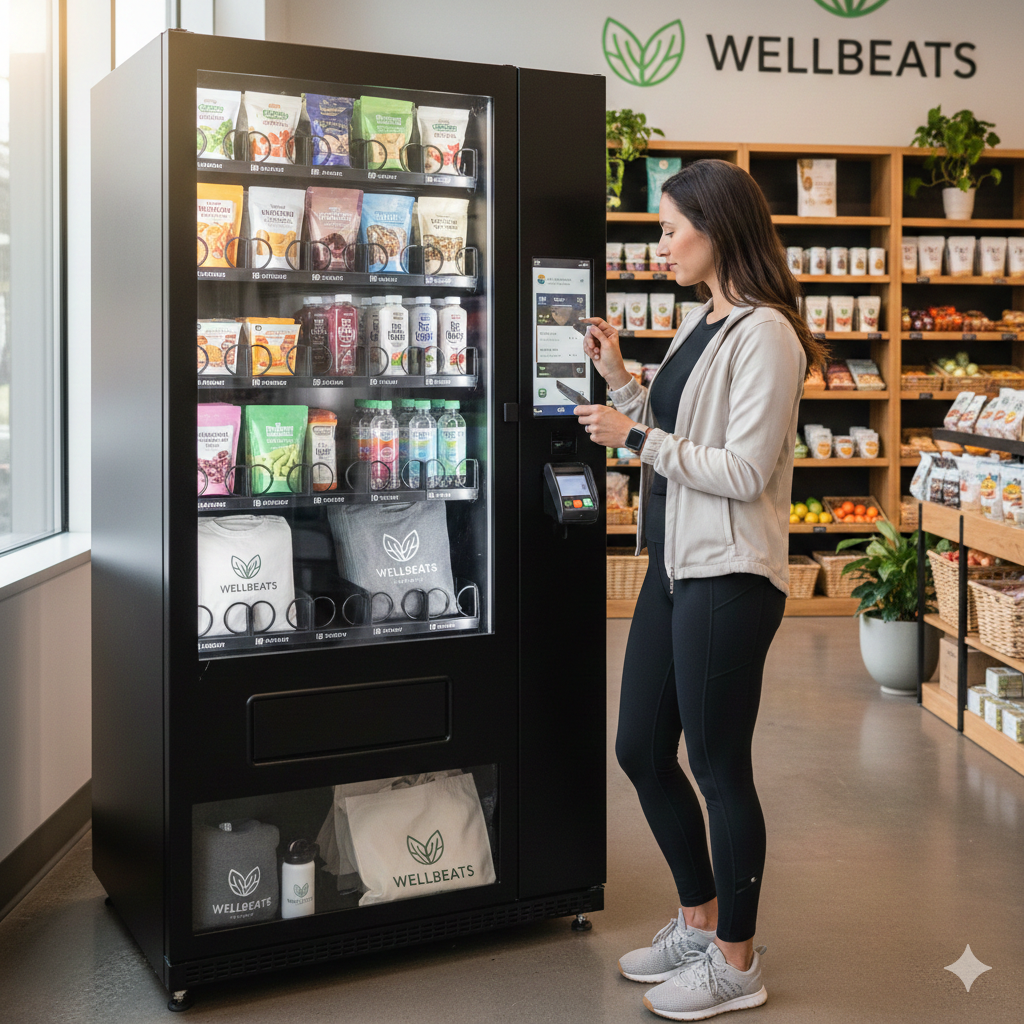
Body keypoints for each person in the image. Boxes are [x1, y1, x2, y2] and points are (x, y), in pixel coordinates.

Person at [575, 159, 826, 1021]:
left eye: (671, 228)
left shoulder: (768, 334)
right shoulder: (702, 323)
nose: (662, 244)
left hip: (729, 576)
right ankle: (699, 916)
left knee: (719, 768)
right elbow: (681, 425)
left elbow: (743, 467)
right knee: (641, 749)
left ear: (717, 227)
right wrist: (621, 380)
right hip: (676, 565)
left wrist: (633, 435)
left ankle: (737, 961)